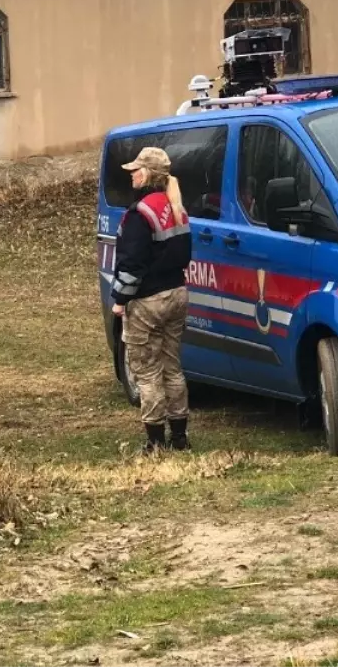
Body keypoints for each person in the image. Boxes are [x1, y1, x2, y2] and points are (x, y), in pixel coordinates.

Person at [110, 147, 193, 453]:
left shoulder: (139, 214)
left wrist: (119, 300)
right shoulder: (177, 207)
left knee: (146, 370)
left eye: (136, 169)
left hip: (147, 301)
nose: (131, 173)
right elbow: (184, 255)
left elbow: (131, 264)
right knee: (172, 366)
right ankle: (180, 437)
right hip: (177, 294)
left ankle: (155, 442)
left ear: (146, 175)